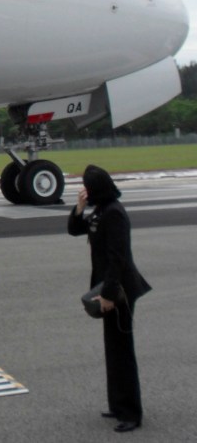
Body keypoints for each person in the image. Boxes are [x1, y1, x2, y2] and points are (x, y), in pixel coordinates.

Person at [68, 165, 151, 434]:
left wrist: (108, 295)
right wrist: (79, 207)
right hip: (108, 286)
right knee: (113, 349)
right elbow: (75, 230)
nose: (84, 191)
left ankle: (131, 413)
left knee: (122, 351)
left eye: (86, 188)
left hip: (119, 290)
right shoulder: (101, 209)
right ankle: (117, 404)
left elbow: (119, 258)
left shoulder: (114, 213)